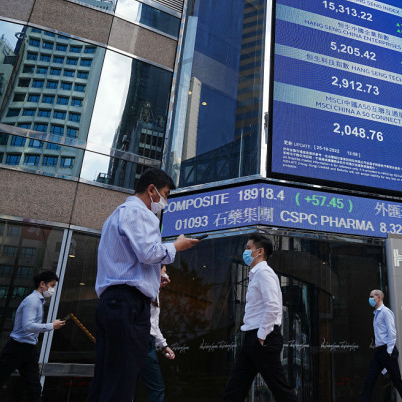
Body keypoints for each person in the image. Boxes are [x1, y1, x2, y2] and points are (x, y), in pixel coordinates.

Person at [87, 167, 198, 402]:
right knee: (124, 376)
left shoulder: (117, 214)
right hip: (128, 304)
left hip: (113, 302)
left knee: (108, 375)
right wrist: (177, 246)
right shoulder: (140, 213)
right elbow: (149, 253)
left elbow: (130, 262)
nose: (165, 200)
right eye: (165, 194)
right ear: (151, 190)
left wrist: (155, 278)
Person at [0, 270, 66, 402]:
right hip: (17, 349)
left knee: (35, 389)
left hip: (28, 350)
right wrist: (51, 326)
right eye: (52, 285)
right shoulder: (32, 301)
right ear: (42, 284)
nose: (52, 289)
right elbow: (27, 326)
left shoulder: (38, 301)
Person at [222, 234, 297, 402]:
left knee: (280, 389)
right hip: (252, 336)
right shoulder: (256, 274)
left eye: (248, 248)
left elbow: (273, 305)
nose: (245, 252)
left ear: (260, 251)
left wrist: (261, 335)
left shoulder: (264, 273)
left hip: (263, 337)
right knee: (235, 387)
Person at [359, 289, 402, 402]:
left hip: (386, 351)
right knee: (369, 380)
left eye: (372, 296)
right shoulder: (376, 314)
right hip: (379, 352)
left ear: (379, 297)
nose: (370, 299)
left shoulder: (385, 312)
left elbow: (392, 332)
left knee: (397, 382)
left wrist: (389, 352)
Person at [139, 265, 176, 402]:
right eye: (164, 271)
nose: (167, 276)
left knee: (133, 384)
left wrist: (164, 345)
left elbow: (153, 324)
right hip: (142, 341)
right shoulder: (145, 288)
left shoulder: (153, 292)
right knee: (156, 387)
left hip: (146, 340)